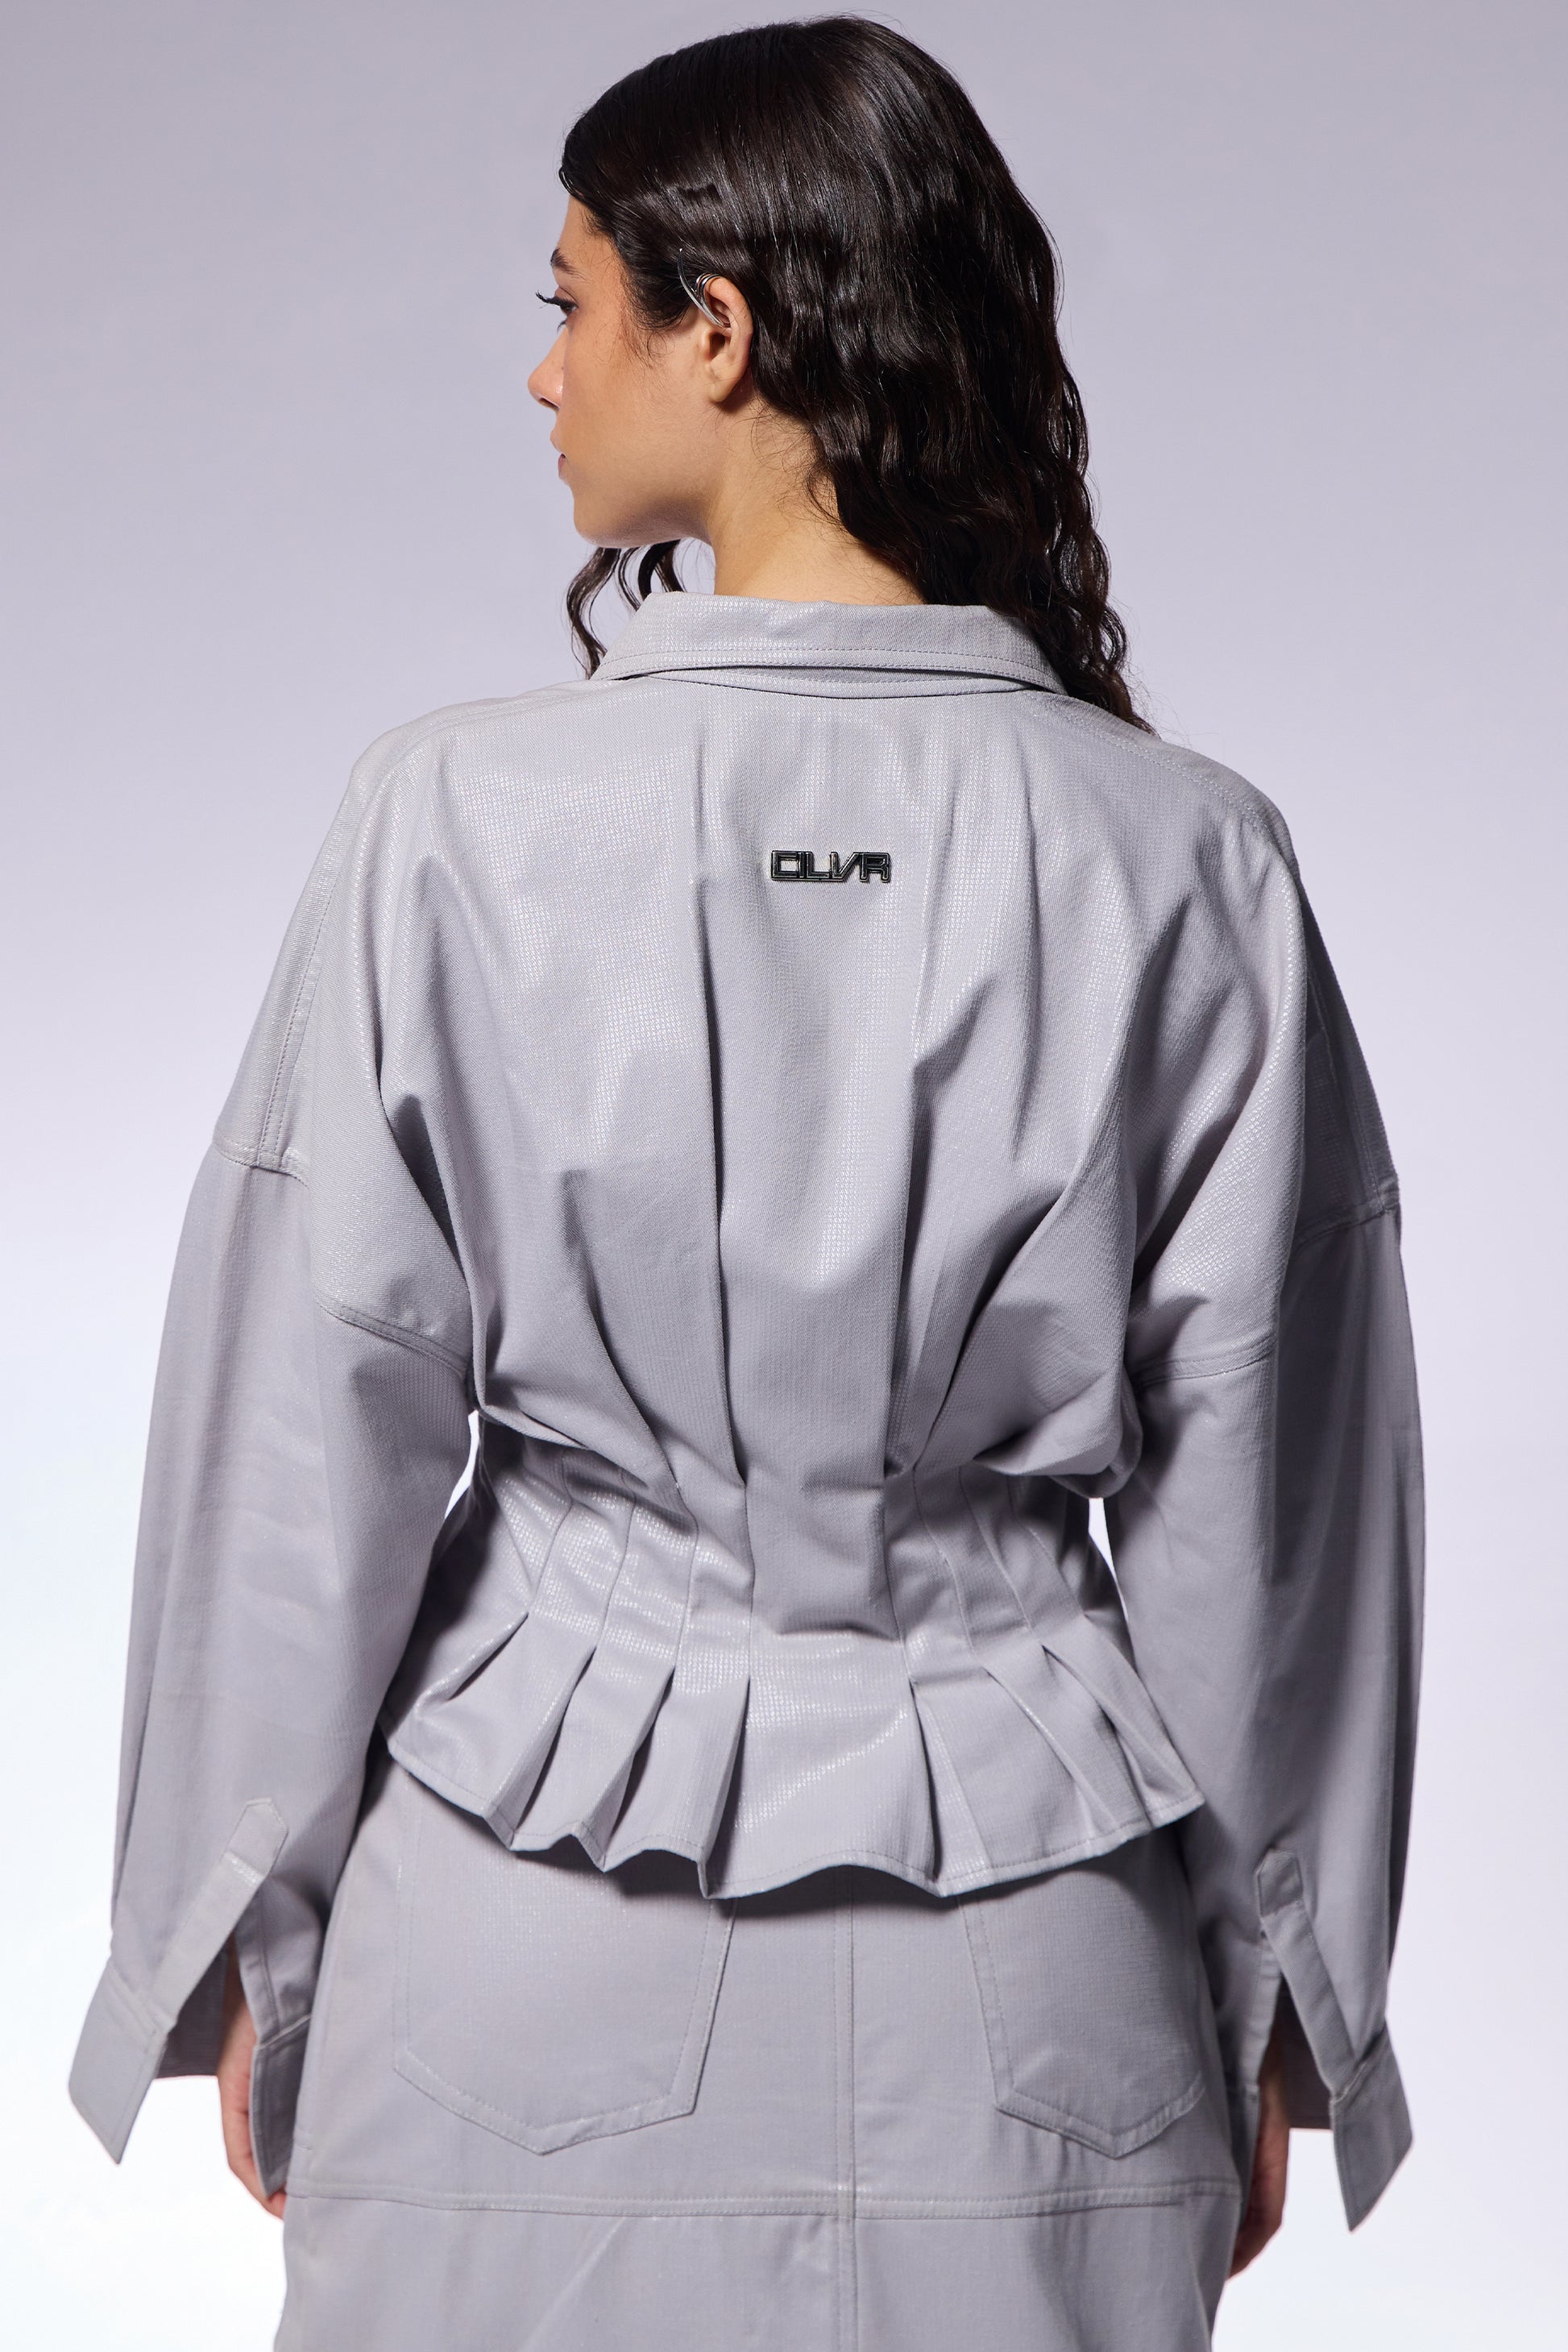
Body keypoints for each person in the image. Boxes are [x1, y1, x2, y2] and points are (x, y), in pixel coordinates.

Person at [68, 19, 1423, 2350]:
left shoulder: (448, 820)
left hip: (519, 1963)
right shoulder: (1187, 856)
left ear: (717, 326)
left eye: (571, 301)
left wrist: (241, 1937)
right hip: (1040, 1988)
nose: (545, 373)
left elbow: (307, 1433)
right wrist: (1276, 1988)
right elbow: (1272, 1510)